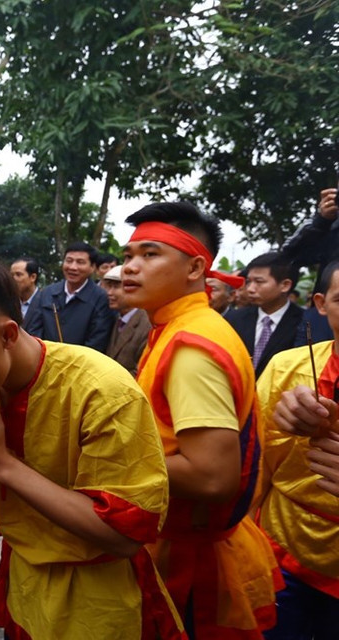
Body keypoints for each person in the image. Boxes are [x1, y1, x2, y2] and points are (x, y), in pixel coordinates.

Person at [0, 257, 182, 639]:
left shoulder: (102, 391)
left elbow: (125, 535)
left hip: (94, 597)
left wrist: (3, 464)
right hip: (25, 582)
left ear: (7, 335)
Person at [119, 201, 281, 638]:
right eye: (128, 256)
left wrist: (104, 458)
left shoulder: (192, 346)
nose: (131, 268)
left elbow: (212, 476)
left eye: (150, 255)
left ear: (194, 268)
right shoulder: (177, 328)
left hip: (188, 563)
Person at [254, 259, 339, 640]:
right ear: (321, 304)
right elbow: (255, 465)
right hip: (281, 544)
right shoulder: (287, 368)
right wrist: (282, 427)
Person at [25, 241, 116, 351]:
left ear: (92, 267)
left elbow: (97, 342)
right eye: (69, 261)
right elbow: (34, 332)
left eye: (80, 262)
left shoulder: (101, 298)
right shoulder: (47, 293)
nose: (73, 267)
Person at [225, 252, 304, 378]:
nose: (250, 288)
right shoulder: (234, 319)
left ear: (285, 285)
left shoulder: (305, 322)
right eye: (249, 281)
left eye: (259, 282)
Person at [102, 265, 151, 376]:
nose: (109, 293)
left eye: (116, 287)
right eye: (108, 286)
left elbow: (141, 371)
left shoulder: (147, 325)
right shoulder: (113, 319)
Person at [9, 257, 39, 324]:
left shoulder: (45, 302)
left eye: (18, 275)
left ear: (33, 277)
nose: (13, 279)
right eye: (11, 275)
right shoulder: (9, 304)